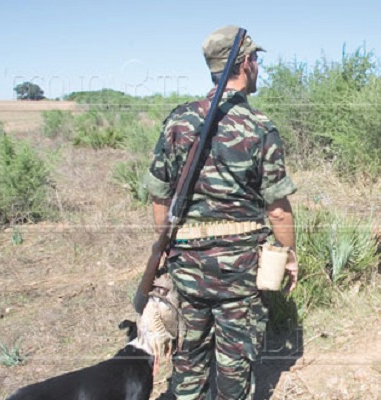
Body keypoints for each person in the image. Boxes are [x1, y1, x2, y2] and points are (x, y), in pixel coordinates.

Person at [142, 25, 297, 400]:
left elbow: (159, 197)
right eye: (256, 59)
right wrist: (289, 254)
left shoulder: (178, 121)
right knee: (234, 364)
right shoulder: (259, 128)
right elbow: (277, 210)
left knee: (188, 359)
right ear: (244, 63)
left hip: (186, 267)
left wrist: (166, 247)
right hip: (240, 273)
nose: (258, 66)